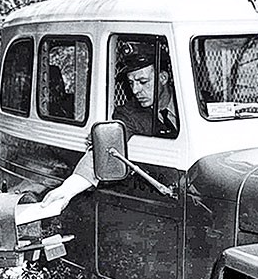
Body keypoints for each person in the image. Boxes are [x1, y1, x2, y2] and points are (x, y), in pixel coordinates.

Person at [41, 42, 177, 211]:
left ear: (163, 78)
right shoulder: (129, 114)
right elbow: (106, 146)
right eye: (131, 82)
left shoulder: (196, 106)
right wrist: (68, 189)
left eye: (143, 81)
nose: (135, 90)